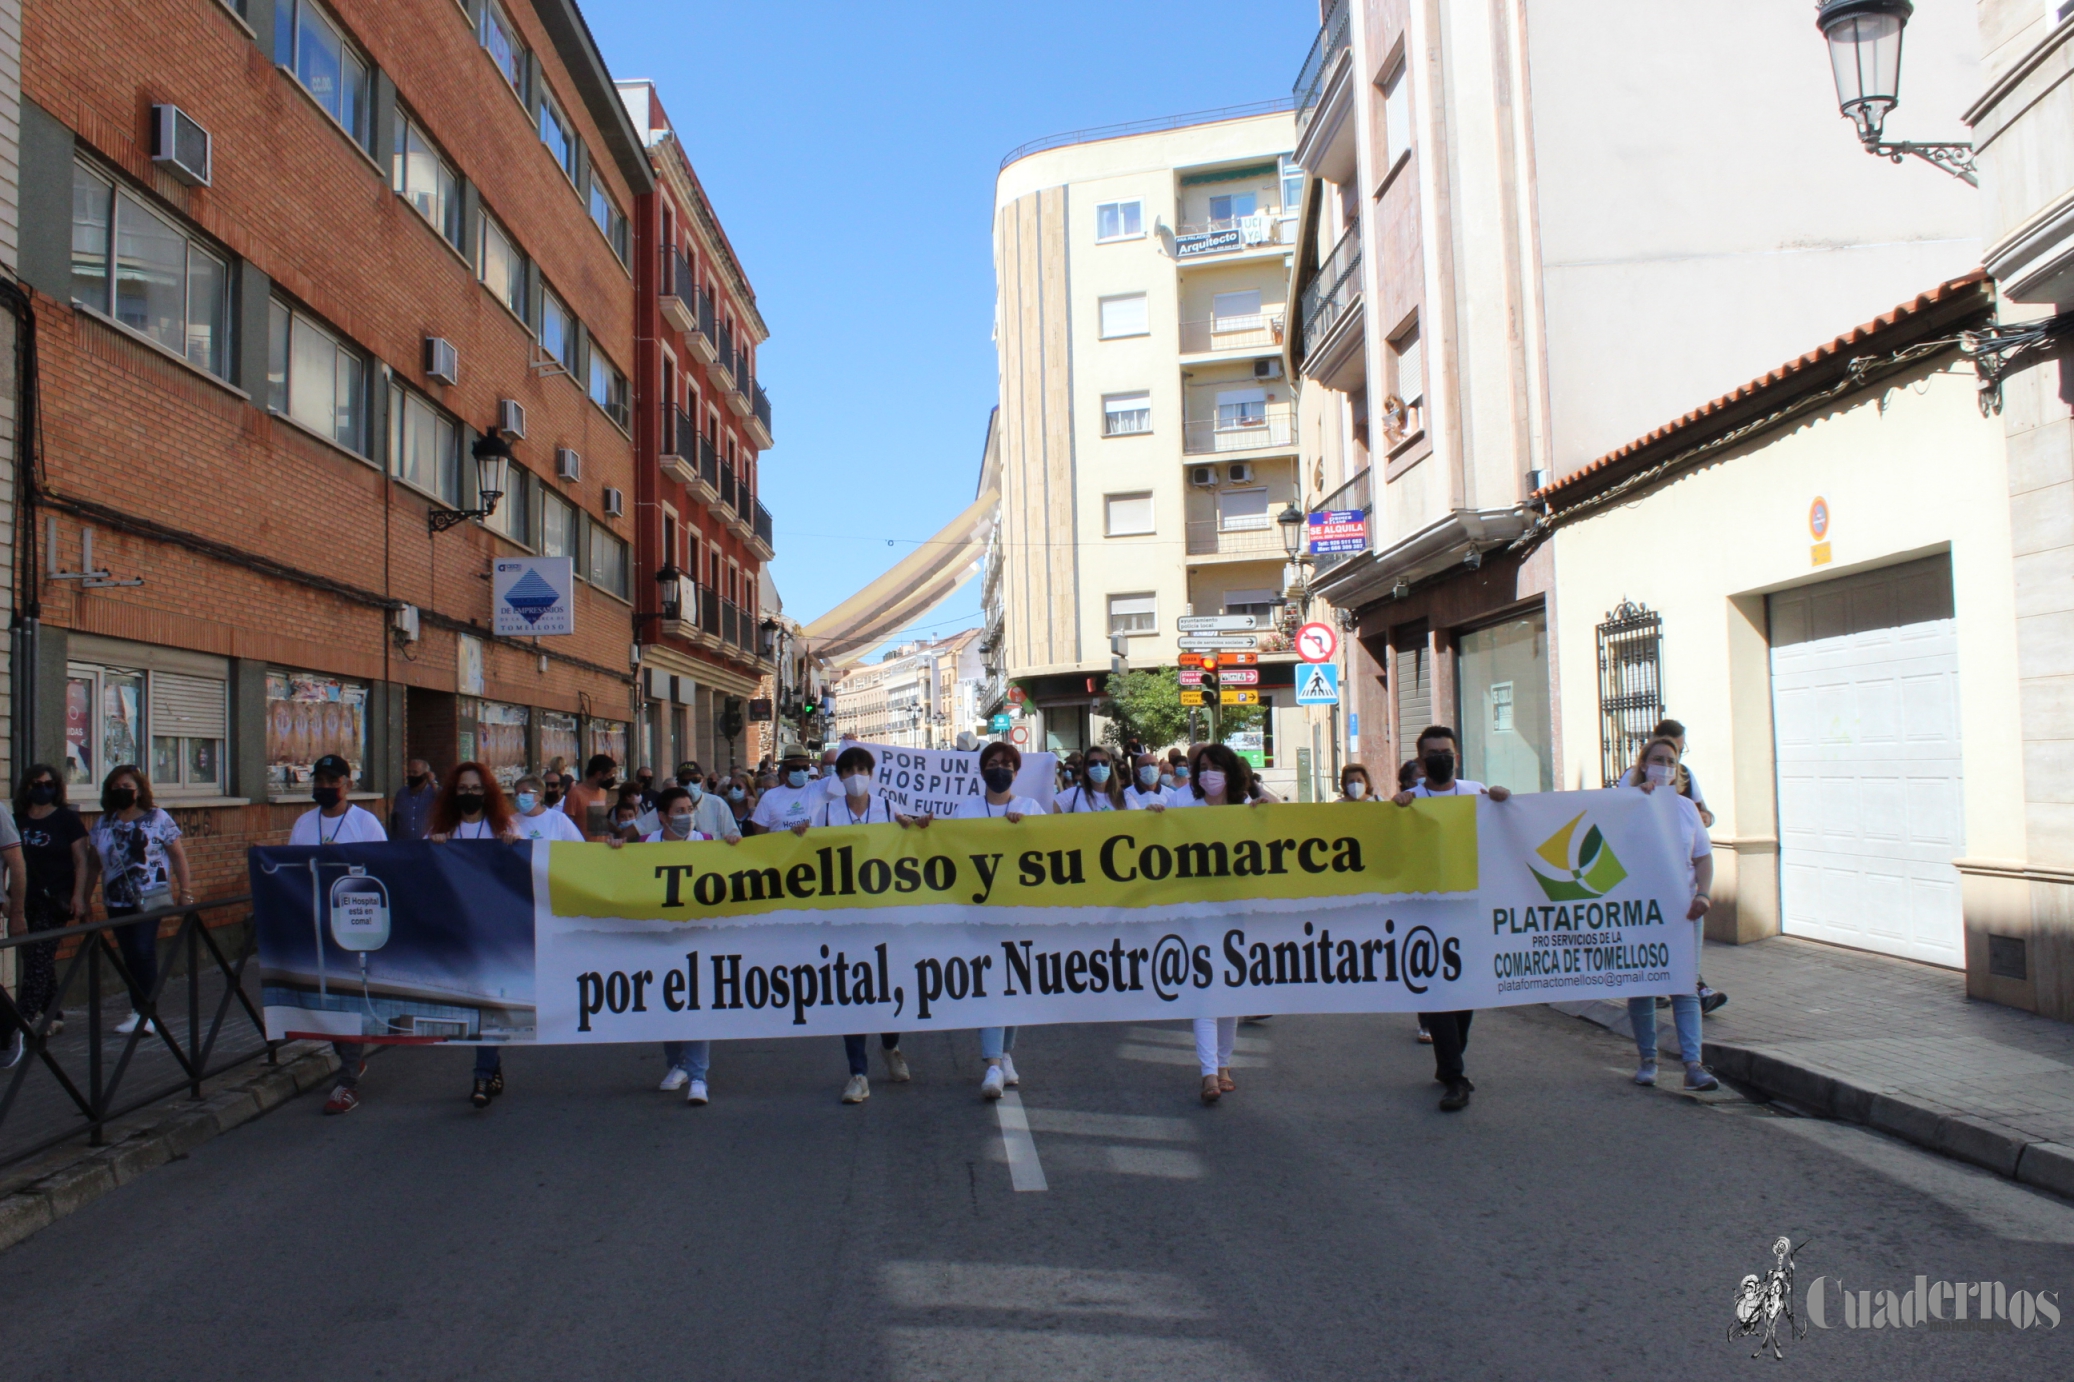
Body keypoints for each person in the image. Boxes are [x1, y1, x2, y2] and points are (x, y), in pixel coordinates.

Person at [1390, 727, 1509, 1111]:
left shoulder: (1477, 792)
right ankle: (1455, 1075)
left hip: (1470, 912)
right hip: (1427, 914)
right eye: (1433, 753)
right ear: (1420, 760)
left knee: (1465, 993)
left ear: (1456, 755)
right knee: (1441, 991)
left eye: (1447, 751)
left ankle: (1450, 1064)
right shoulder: (1412, 800)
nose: (1441, 757)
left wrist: (1505, 801)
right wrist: (1396, 809)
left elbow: (1510, 828)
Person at [930, 741, 1044, 1101]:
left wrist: (1024, 830)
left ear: (1016, 770)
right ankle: (993, 1064)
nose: (1000, 769)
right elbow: (948, 850)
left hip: (1019, 911)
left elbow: (1049, 850)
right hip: (978, 913)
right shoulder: (966, 811)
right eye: (993, 763)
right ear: (982, 770)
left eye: (1007, 764)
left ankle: (1005, 1055)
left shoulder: (1030, 809)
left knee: (1013, 984)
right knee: (990, 983)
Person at [1167, 744, 1272, 1103]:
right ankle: (1209, 1073)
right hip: (1196, 912)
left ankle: (1224, 1066)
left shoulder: (1246, 810)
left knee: (1230, 993)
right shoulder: (1183, 808)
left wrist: (1265, 810)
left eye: (1214, 767)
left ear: (1229, 772)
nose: (1206, 774)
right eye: (1202, 768)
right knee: (1206, 992)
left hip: (1237, 912)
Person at [288, 755, 388, 1114]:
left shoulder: (365, 822)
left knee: (347, 1000)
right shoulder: (303, 823)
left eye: (333, 781)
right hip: (315, 922)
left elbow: (382, 870)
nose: (325, 787)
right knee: (323, 999)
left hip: (353, 924)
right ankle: (349, 1059)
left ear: (347, 783)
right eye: (319, 780)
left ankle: (346, 1082)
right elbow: (292, 869)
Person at [1620, 736, 1720, 1092]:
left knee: (1685, 986)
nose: (1664, 766)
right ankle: (1648, 1059)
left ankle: (1693, 1065)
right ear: (1643, 765)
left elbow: (1703, 857)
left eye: (1671, 762)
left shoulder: (1686, 809)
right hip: (1641, 912)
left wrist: (1705, 894)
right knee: (1642, 985)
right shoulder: (1628, 806)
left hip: (1684, 911)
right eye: (1657, 759)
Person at [814, 746, 909, 1097]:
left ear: (871, 773)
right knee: (852, 992)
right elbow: (807, 853)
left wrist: (916, 828)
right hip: (844, 918)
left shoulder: (887, 808)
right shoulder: (826, 813)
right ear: (839, 777)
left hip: (884, 915)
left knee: (890, 987)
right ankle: (858, 1073)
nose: (856, 775)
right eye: (849, 769)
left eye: (861, 768)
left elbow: (910, 842)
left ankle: (890, 1045)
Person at [427, 764, 520, 1109]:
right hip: (459, 932)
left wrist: (513, 847)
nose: (470, 794)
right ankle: (491, 1067)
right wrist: (435, 847)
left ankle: (482, 1073)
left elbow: (520, 872)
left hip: (493, 933)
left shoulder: (502, 828)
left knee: (488, 1001)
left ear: (488, 792)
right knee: (475, 1005)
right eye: (464, 788)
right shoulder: (442, 832)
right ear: (454, 792)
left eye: (476, 788)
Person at [83, 766, 192, 1037]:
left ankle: (146, 1012)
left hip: (150, 897)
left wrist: (185, 890)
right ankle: (137, 1010)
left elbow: (177, 855)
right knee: (130, 954)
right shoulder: (104, 823)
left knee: (143, 950)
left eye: (127, 787)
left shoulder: (158, 818)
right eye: (116, 787)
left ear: (140, 790)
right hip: (116, 899)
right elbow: (93, 864)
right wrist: (84, 899)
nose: (122, 791)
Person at [7, 766, 86, 1058]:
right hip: (23, 902)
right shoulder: (17, 821)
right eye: (36, 784)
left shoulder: (67, 819)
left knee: (39, 959)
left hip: (55, 901)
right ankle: (55, 1014)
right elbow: (8, 860)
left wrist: (79, 896)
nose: (42, 789)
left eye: (48, 784)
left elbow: (80, 860)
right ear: (26, 788)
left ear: (57, 787)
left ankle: (21, 1021)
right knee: (36, 957)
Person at [747, 751, 820, 835]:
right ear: (785, 770)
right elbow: (760, 834)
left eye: (805, 767)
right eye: (795, 768)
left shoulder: (817, 789)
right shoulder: (769, 797)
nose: (801, 771)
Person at [511, 775, 585, 843]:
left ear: (540, 794)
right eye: (517, 794)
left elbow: (579, 847)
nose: (520, 796)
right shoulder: (511, 821)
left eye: (525, 792)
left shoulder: (559, 819)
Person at [560, 754, 619, 840]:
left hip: (601, 848)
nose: (611, 779)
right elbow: (567, 823)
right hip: (583, 848)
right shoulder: (575, 793)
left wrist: (619, 831)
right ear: (599, 774)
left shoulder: (603, 792)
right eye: (609, 775)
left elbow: (600, 820)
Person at [1056, 747, 1124, 813]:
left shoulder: (1125, 797)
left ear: (1110, 767)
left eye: (1104, 762)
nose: (1099, 766)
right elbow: (1047, 810)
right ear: (1086, 769)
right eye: (1093, 763)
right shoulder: (1074, 794)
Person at [393, 759, 439, 840]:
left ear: (425, 775)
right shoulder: (401, 794)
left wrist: (433, 782)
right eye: (409, 772)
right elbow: (395, 820)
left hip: (427, 844)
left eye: (415, 772)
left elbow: (445, 802)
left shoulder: (433, 793)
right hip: (404, 845)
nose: (411, 775)